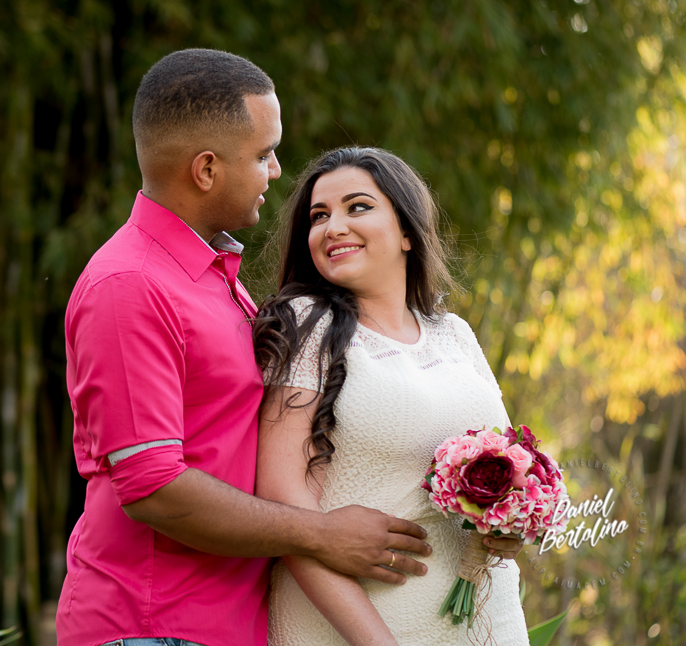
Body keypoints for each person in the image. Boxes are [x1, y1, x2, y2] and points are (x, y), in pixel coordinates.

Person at [56, 52, 431, 646]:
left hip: (230, 625)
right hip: (152, 629)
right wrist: (319, 534)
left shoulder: (211, 276)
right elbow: (154, 489)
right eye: (263, 155)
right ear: (206, 169)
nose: (277, 171)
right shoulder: (129, 286)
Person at [253, 146, 530, 646]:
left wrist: (513, 522)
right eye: (319, 215)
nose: (333, 226)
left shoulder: (454, 334)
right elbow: (281, 501)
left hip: (489, 620)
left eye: (357, 207)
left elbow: (514, 464)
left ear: (407, 232)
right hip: (357, 627)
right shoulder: (307, 325)